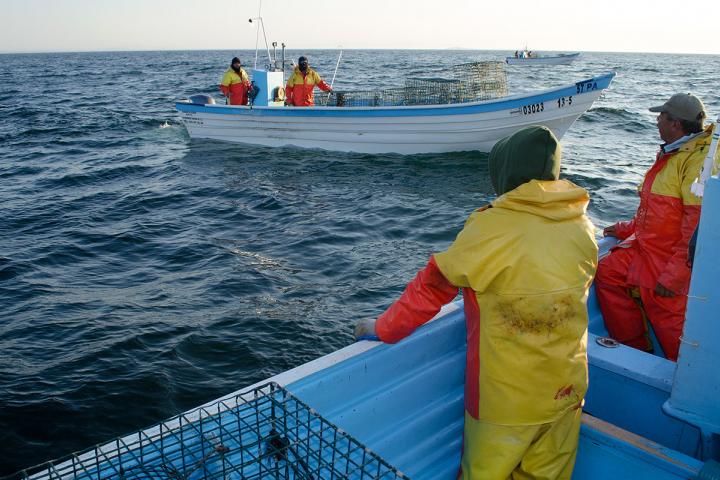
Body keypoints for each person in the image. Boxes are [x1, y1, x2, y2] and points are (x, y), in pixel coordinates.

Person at [355, 126, 598, 479]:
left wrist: (382, 328)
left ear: (506, 172)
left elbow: (433, 287)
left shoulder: (491, 228)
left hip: (506, 402)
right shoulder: (581, 224)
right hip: (568, 391)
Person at [595, 93, 715, 361]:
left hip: (671, 257)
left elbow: (697, 227)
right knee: (607, 272)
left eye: (662, 116)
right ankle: (635, 352)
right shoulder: (673, 152)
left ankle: (687, 385)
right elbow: (658, 212)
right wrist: (626, 228)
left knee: (666, 311)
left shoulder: (699, 162)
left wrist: (675, 276)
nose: (657, 120)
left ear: (676, 124)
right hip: (648, 247)